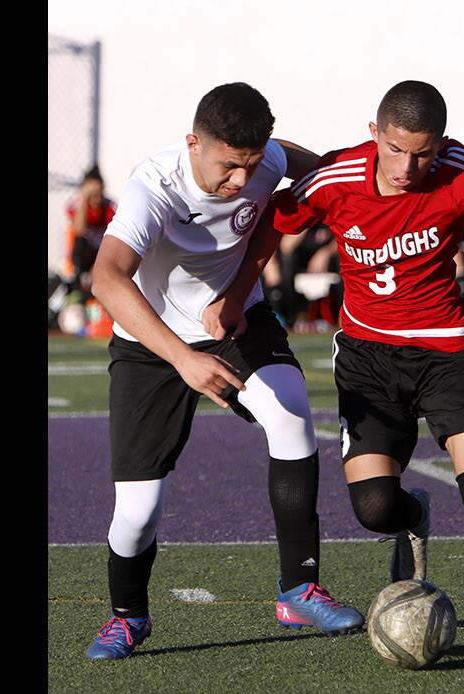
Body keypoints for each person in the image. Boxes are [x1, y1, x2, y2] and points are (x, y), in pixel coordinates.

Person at [205, 81, 464, 669]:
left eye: (423, 153)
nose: (408, 166)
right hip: (368, 360)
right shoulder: (336, 178)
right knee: (374, 509)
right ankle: (416, 515)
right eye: (396, 150)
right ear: (375, 135)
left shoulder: (461, 169)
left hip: (447, 354)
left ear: (442, 144)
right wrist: (235, 293)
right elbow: (274, 224)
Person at [83, 82, 364, 661]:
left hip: (235, 319)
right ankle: (128, 616)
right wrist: (183, 359)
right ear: (193, 143)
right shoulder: (152, 188)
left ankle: (298, 588)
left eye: (251, 166)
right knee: (137, 513)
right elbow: (107, 279)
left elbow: (333, 175)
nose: (240, 181)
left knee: (291, 414)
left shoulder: (268, 159)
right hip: (150, 342)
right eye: (228, 166)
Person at [65, 166, 117, 300]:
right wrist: (84, 199)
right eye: (92, 195)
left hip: (101, 253)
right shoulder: (78, 205)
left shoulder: (109, 207)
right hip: (82, 255)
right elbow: (79, 229)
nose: (97, 199)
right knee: (80, 239)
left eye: (99, 193)